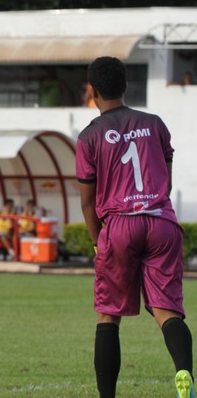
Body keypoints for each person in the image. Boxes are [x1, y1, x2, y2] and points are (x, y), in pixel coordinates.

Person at [76, 56, 194, 398]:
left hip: (119, 226)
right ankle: (184, 372)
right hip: (161, 222)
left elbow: (87, 202)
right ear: (126, 86)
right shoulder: (155, 124)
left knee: (109, 317)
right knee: (166, 309)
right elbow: (166, 182)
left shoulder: (89, 137)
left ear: (92, 91)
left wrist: (99, 242)